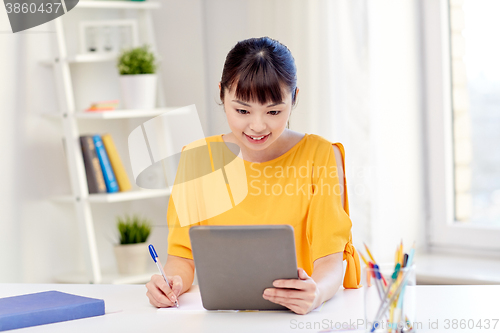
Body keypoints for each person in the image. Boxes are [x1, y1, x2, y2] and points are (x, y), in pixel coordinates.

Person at [146, 36, 361, 315]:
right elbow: (182, 256)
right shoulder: (197, 159)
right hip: (226, 321)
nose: (257, 126)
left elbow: (330, 261)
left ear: (294, 98)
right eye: (242, 110)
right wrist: (171, 283)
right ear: (222, 94)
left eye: (273, 111)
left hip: (296, 319)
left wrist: (316, 292)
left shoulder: (320, 156)